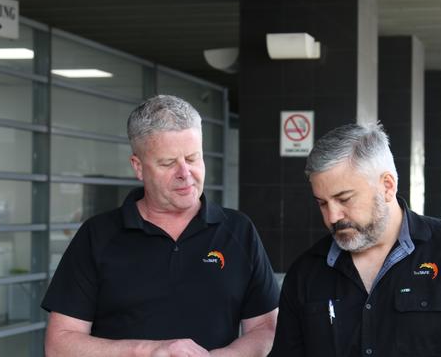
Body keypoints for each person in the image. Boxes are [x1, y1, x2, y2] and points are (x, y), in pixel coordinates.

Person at [42, 95, 280, 357]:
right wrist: (148, 351)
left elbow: (265, 328)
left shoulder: (238, 231)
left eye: (192, 158)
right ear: (139, 167)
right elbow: (59, 344)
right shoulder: (97, 235)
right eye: (168, 163)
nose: (185, 173)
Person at [269, 123, 441, 357]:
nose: (333, 216)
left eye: (344, 199)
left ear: (387, 186)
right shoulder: (306, 273)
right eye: (322, 203)